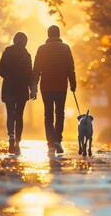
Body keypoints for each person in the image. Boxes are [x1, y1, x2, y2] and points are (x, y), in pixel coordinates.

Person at [32, 25, 76, 154]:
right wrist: (73, 84)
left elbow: (36, 70)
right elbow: (70, 68)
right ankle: (58, 139)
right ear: (59, 34)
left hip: (46, 86)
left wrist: (33, 88)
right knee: (60, 113)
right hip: (61, 86)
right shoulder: (66, 48)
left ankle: (50, 143)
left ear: (48, 34)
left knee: (48, 114)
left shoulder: (41, 49)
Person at [0, 32, 35, 154]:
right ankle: (18, 142)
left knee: (10, 114)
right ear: (25, 42)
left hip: (8, 87)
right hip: (21, 88)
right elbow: (29, 73)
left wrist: (9, 75)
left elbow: (0, 71)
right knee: (19, 115)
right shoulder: (26, 55)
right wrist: (33, 89)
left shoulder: (6, 53)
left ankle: (11, 136)